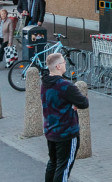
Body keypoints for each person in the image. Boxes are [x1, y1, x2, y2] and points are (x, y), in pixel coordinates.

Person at [42, 52, 90, 182]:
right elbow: (84, 103)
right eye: (63, 62)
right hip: (66, 133)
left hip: (50, 130)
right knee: (64, 167)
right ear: (58, 66)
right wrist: (74, 103)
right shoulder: (65, 85)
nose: (65, 65)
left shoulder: (45, 83)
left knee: (53, 163)